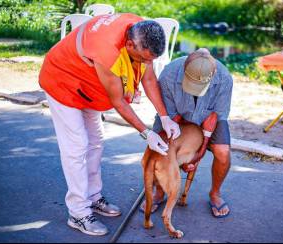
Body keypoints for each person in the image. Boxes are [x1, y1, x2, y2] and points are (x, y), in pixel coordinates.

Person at [39, 13, 181, 236]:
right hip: (63, 82)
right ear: (129, 44)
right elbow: (118, 102)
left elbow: (149, 79)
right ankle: (78, 212)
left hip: (88, 87)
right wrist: (146, 132)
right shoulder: (107, 51)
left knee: (96, 142)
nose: (146, 64)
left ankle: (93, 197)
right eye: (144, 59)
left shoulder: (141, 31)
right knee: (77, 147)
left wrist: (165, 116)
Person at [148, 48, 233, 218]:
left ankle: (215, 194)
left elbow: (216, 117)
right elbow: (172, 118)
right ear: (185, 66)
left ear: (213, 73)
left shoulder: (224, 78)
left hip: (209, 117)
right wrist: (183, 155)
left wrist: (196, 156)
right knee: (160, 147)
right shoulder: (168, 75)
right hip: (176, 117)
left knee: (223, 152)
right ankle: (159, 192)